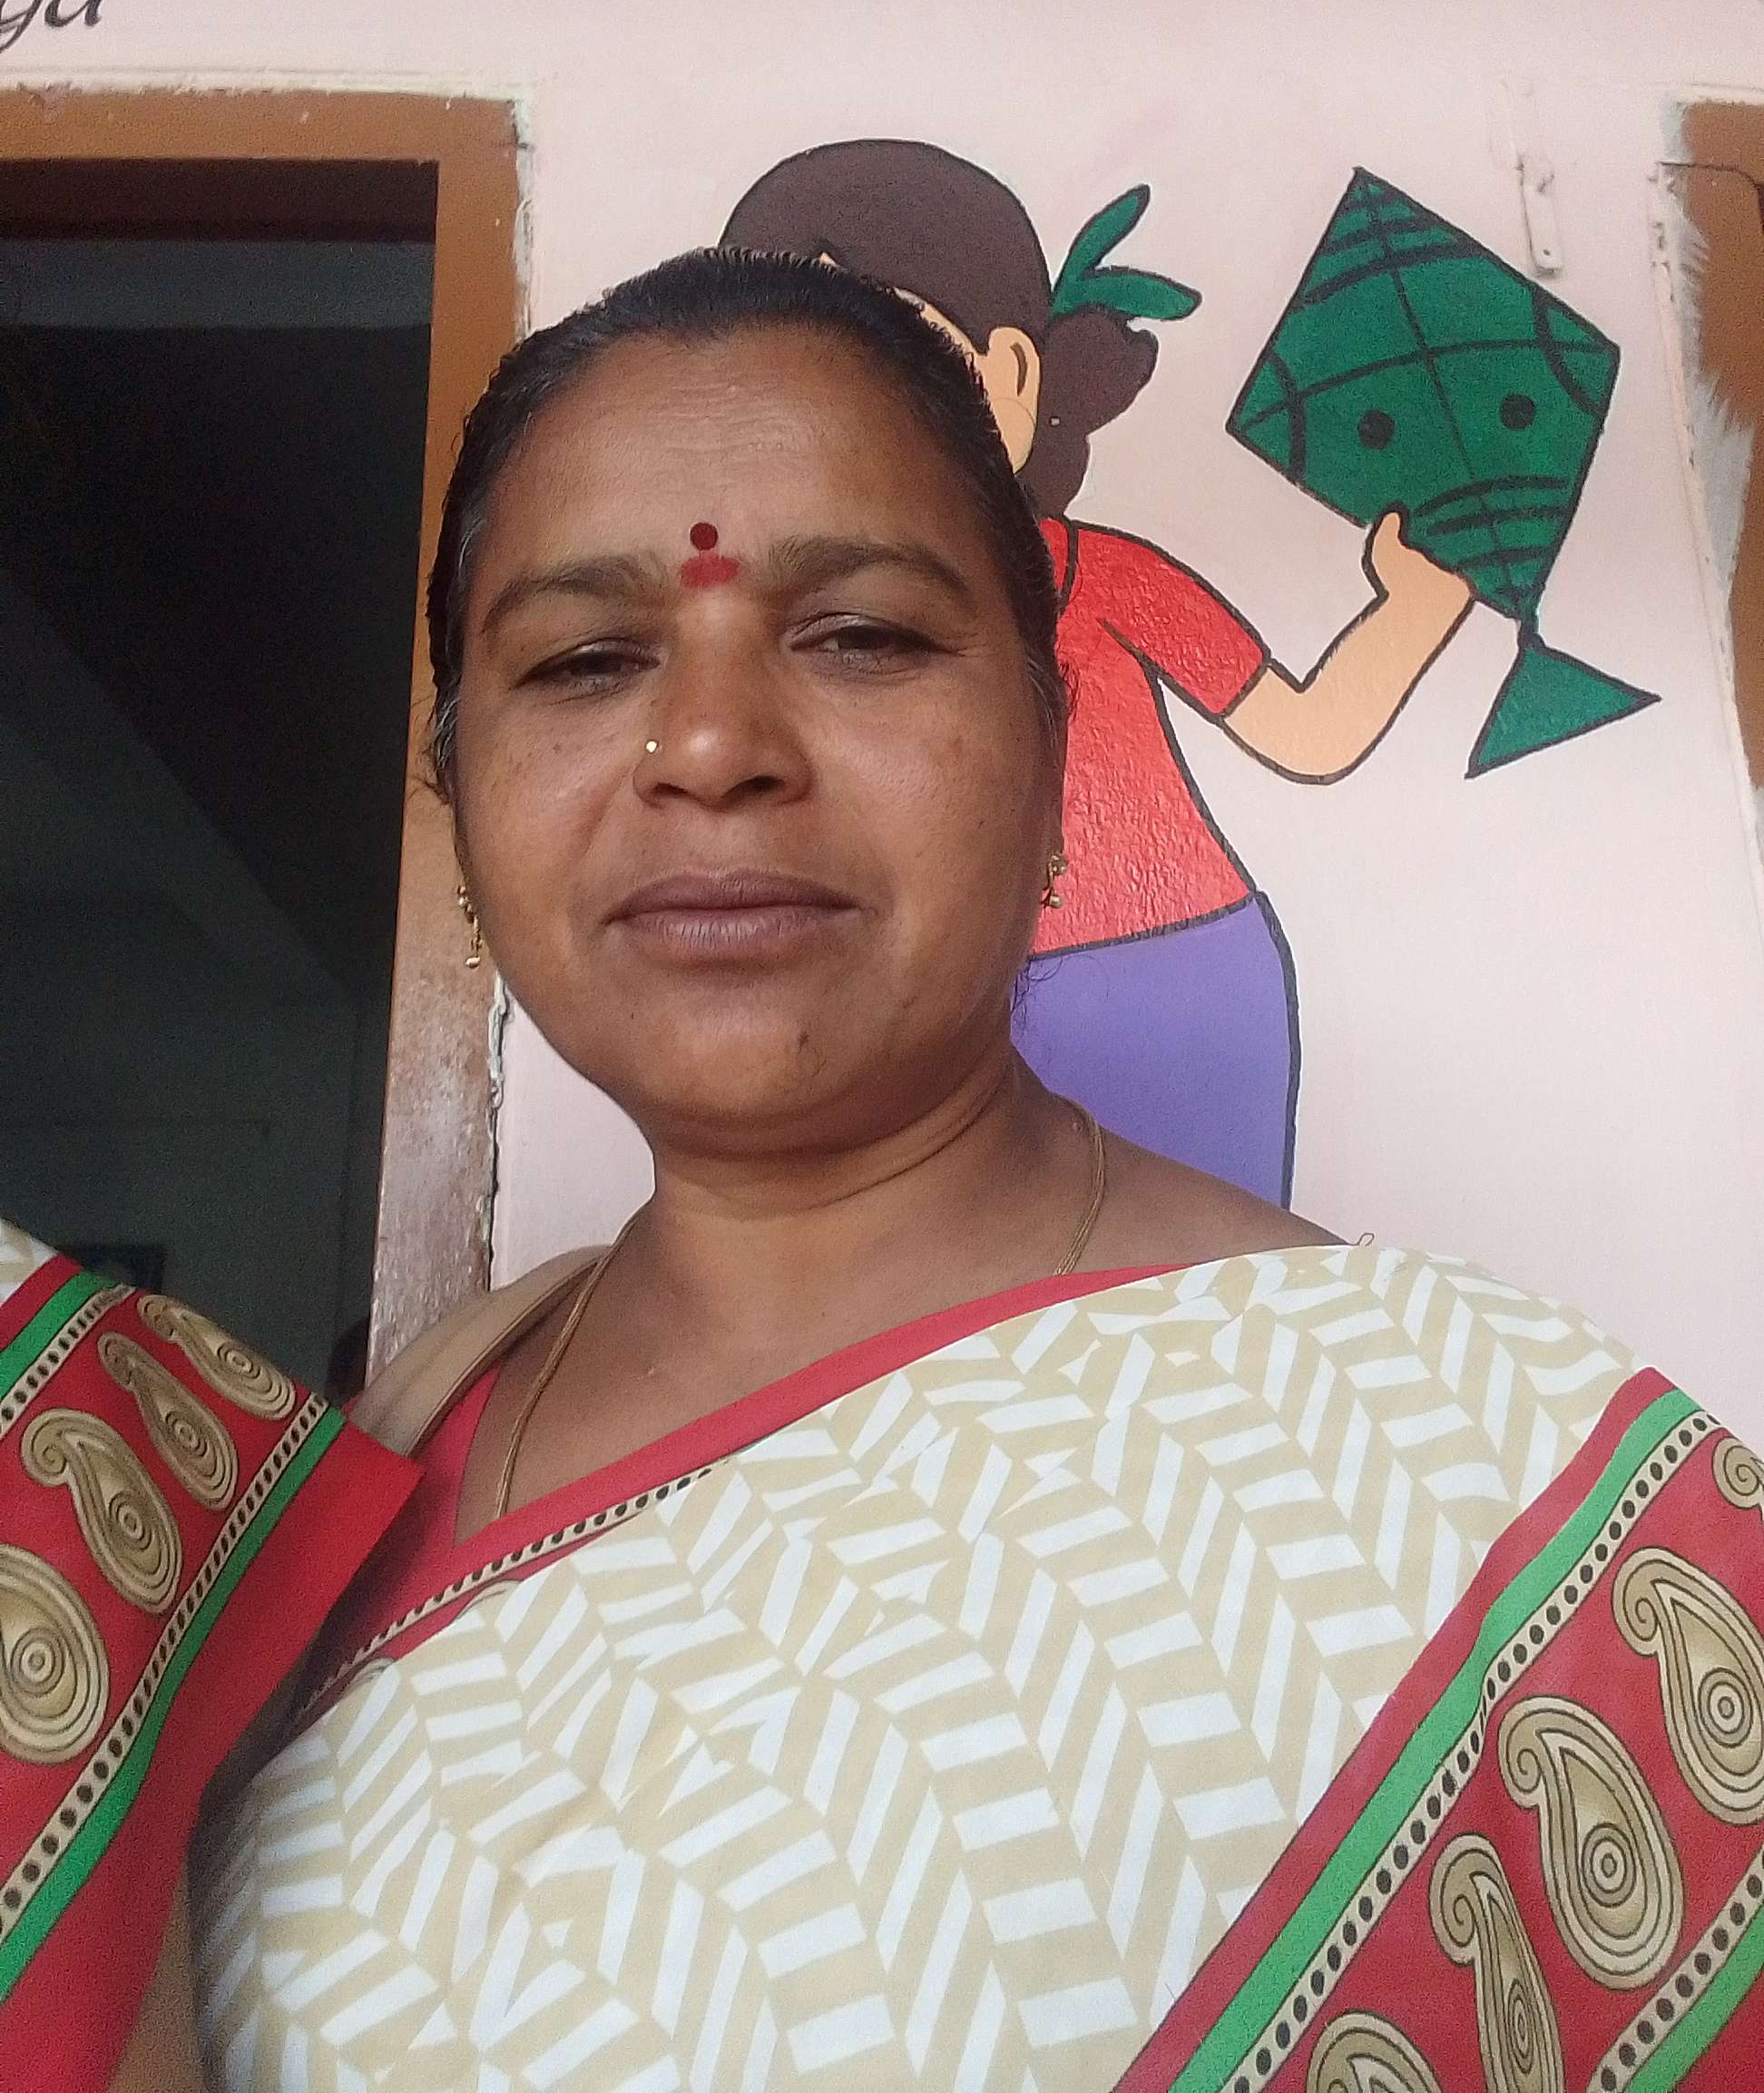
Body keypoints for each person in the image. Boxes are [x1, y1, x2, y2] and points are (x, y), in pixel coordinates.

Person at [5, 250, 1762, 2090]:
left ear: (1053, 742)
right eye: (587, 662)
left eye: (858, 637)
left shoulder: (1461, 1466)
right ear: (458, 781)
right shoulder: (335, 1485)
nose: (712, 750)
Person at [723, 142, 1474, 1205]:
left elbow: (1306, 733)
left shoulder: (1110, 576)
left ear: (1013, 375)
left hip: (1184, 968)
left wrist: (1417, 611)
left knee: (1204, 1275)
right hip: (946, 1000)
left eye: (900, 356)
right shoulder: (792, 634)